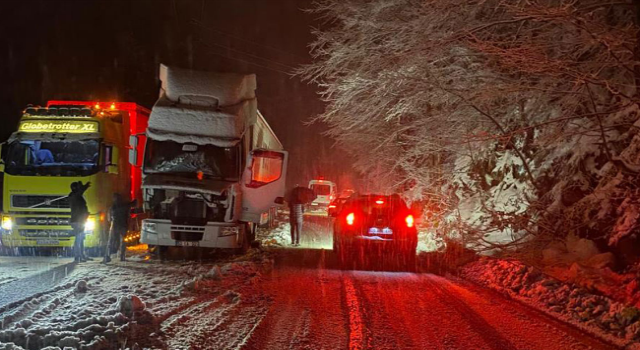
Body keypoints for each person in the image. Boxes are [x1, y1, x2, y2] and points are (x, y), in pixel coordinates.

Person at [103, 194, 136, 263]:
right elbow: (132, 206)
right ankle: (122, 256)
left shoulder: (113, 207)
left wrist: (111, 221)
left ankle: (108, 256)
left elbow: (109, 217)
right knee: (123, 241)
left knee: (111, 241)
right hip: (123, 225)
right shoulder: (125, 205)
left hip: (115, 225)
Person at [68, 181, 91, 262]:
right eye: (78, 187)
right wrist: (85, 186)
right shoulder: (75, 196)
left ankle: (81, 255)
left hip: (79, 220)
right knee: (78, 239)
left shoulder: (75, 196)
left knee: (80, 238)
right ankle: (78, 256)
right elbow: (80, 208)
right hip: (77, 220)